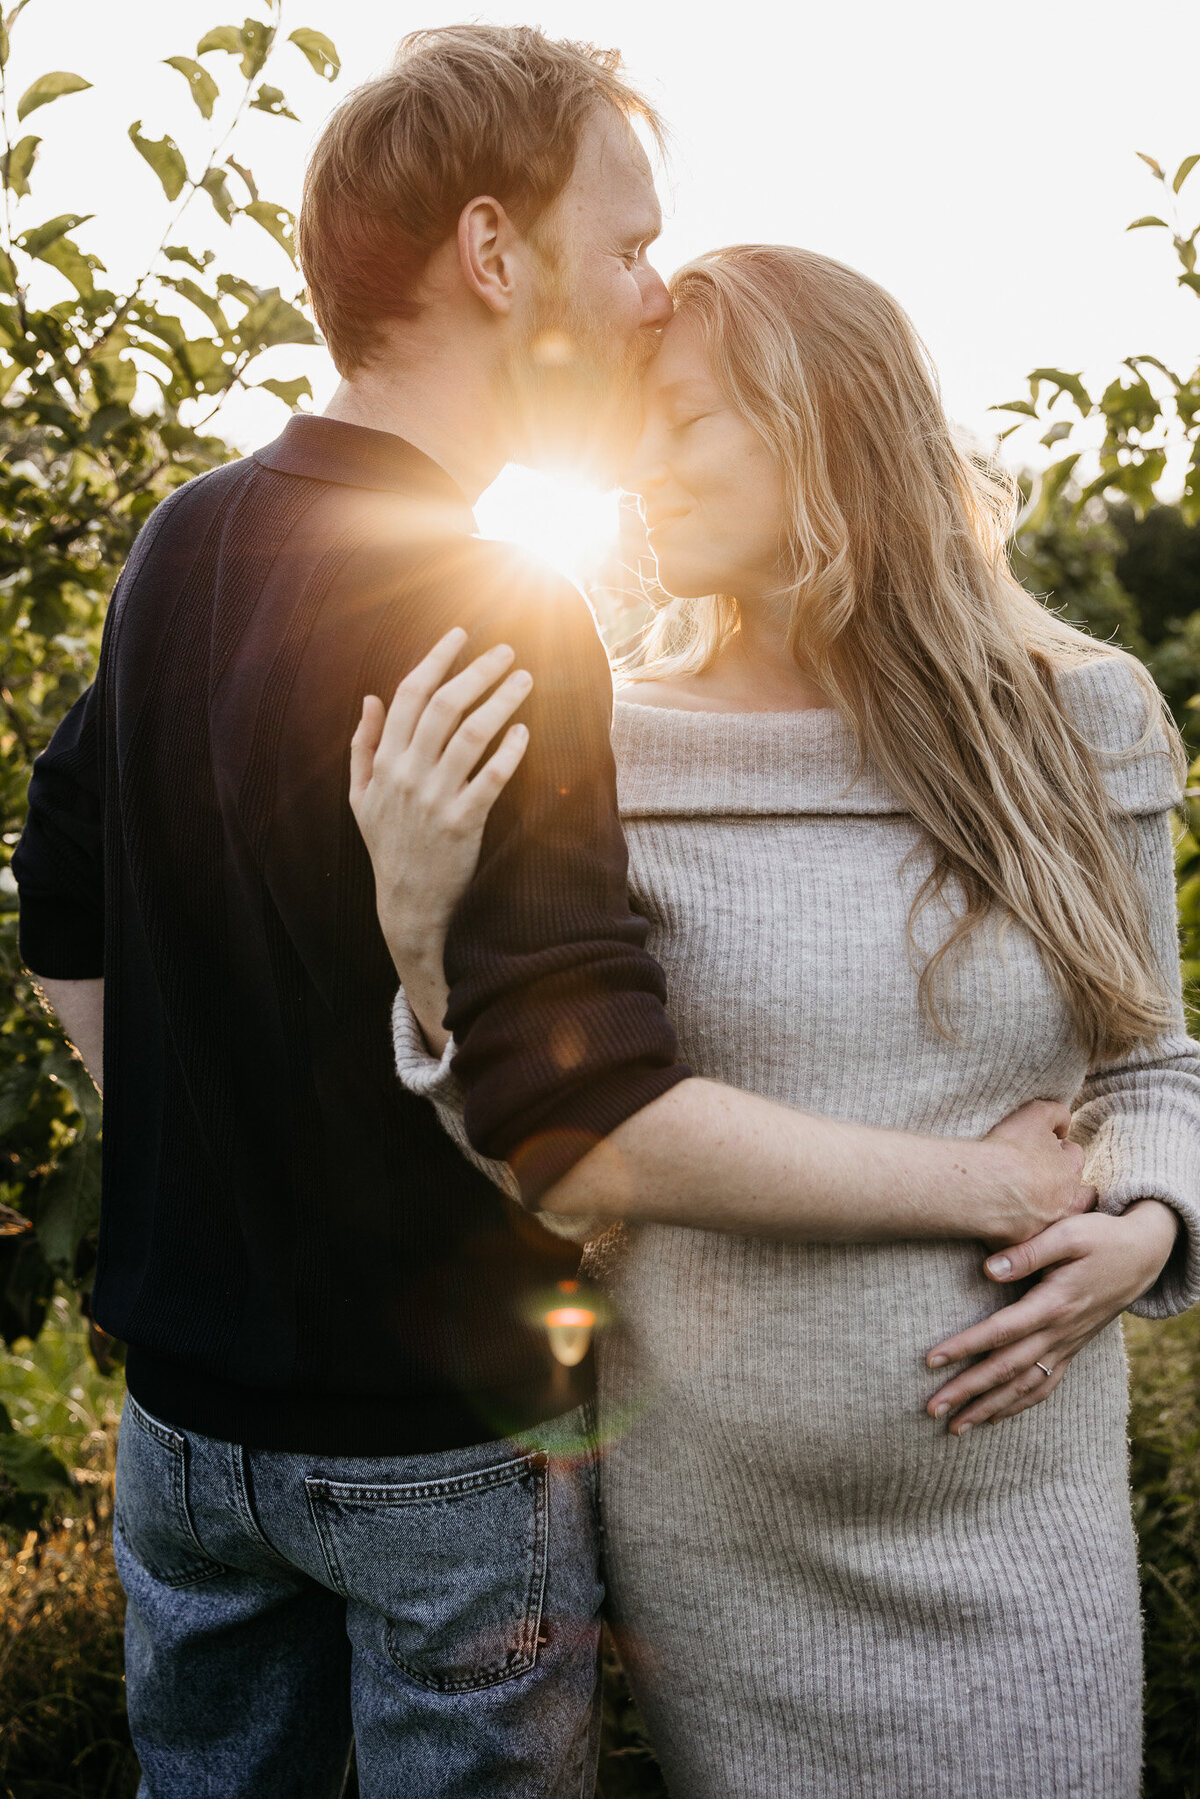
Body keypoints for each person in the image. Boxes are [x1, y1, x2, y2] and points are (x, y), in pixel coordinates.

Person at [13, 26, 1089, 1795]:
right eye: (627, 241)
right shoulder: (504, 611)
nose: (650, 290)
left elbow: (60, 911)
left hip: (185, 1443)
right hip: (437, 1448)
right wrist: (993, 1182)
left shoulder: (180, 543)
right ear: (495, 254)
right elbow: (582, 1124)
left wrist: (200, 1161)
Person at [350, 245, 1200, 1798]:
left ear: (819, 423)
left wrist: (1150, 1223)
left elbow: (1156, 1058)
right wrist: (420, 938)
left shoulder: (1080, 721)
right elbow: (555, 1160)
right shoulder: (603, 745)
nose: (638, 481)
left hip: (1025, 1534)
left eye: (682, 424)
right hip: (726, 1566)